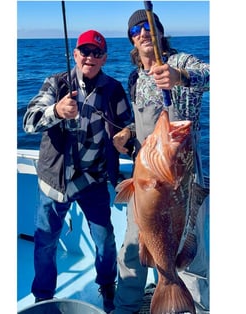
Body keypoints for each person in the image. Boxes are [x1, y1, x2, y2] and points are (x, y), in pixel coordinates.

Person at [23, 29, 133, 314]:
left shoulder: (114, 90)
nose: (90, 57)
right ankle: (43, 296)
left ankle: (107, 286)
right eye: (85, 51)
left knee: (105, 239)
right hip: (54, 181)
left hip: (92, 180)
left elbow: (128, 127)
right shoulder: (56, 83)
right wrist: (56, 112)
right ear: (75, 54)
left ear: (105, 58)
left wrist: (127, 139)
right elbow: (29, 121)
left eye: (97, 53)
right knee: (45, 242)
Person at [112, 9, 210, 314]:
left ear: (159, 32)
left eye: (149, 27)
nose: (143, 32)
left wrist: (180, 77)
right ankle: (125, 306)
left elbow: (214, 73)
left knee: (188, 249)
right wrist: (126, 133)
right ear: (131, 37)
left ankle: (193, 306)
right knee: (132, 246)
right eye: (136, 29)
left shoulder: (179, 62)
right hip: (146, 175)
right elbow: (143, 124)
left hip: (180, 175)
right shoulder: (135, 76)